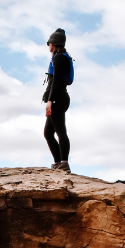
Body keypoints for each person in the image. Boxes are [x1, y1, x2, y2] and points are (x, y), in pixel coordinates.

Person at [42, 28, 74, 172]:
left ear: (54, 43)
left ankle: (64, 163)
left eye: (49, 43)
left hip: (58, 98)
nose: (48, 46)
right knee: (48, 133)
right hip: (60, 97)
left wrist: (50, 100)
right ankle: (58, 163)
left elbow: (56, 81)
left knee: (60, 131)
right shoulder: (62, 57)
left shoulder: (58, 58)